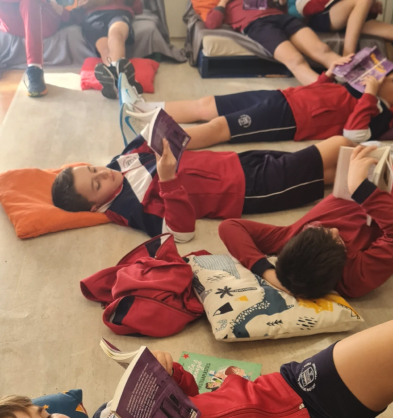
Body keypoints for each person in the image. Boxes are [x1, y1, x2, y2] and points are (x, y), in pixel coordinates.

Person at [0, 319, 393, 418]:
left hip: (287, 389)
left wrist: (170, 374)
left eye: (41, 411)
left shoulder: (112, 411)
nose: (54, 414)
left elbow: (192, 400)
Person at [51, 132, 352, 243]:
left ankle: (366, 176)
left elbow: (152, 138)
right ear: (96, 206)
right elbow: (180, 232)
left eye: (94, 169)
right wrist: (167, 180)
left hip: (234, 161)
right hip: (246, 188)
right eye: (96, 183)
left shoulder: (119, 162)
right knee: (339, 146)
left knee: (327, 172)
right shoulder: (129, 208)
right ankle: (368, 174)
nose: (104, 173)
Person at [219, 145, 393, 299]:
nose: (334, 229)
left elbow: (229, 227)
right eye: (339, 240)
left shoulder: (290, 239)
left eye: (320, 228)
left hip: (366, 175)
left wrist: (266, 272)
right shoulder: (356, 278)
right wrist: (360, 189)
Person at [120, 56, 393, 149]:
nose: (385, 79)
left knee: (219, 127)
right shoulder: (362, 90)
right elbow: (320, 93)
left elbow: (353, 135)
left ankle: (151, 141)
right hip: (282, 96)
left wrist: (370, 95)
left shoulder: (378, 111)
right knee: (206, 103)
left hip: (290, 119)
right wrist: (329, 76)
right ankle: (140, 109)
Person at [195, 0, 341, 85]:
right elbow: (212, 23)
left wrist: (279, 3)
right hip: (257, 25)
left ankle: (353, 79)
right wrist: (224, 1)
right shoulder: (223, 6)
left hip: (281, 18)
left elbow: (271, 6)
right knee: (295, 60)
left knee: (322, 49)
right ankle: (331, 93)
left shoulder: (249, 3)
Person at [81, 0, 143, 99]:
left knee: (116, 34)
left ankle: (115, 77)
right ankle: (122, 79)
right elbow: (72, 9)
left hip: (118, 11)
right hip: (91, 15)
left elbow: (137, 6)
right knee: (104, 47)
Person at [287, 0, 393, 57]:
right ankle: (347, 57)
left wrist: (372, 6)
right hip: (322, 15)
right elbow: (303, 8)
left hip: (350, 16)